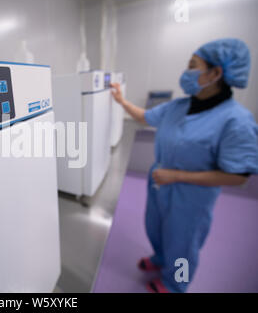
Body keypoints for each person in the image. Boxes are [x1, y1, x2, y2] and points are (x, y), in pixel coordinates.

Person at [110, 38, 258, 293]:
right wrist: (122, 101)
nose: (186, 72)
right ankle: (160, 259)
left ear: (215, 73)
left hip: (191, 197)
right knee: (155, 226)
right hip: (160, 184)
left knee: (183, 242)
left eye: (192, 66)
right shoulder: (179, 106)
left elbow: (238, 177)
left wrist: (177, 175)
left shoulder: (236, 121)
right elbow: (145, 117)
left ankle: (175, 283)